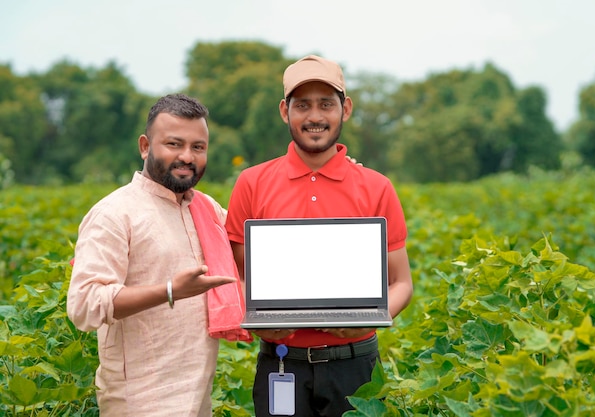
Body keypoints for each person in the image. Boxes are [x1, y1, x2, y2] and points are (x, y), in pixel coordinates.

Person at [225, 55, 414, 417]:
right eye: (303, 105)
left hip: (356, 366)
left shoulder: (376, 187)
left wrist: (364, 318)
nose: (315, 116)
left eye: (326, 104)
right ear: (285, 111)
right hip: (281, 364)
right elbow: (238, 276)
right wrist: (263, 322)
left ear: (346, 109)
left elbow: (401, 283)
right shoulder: (252, 183)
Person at [67, 93, 250, 417]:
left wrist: (338, 170)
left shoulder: (207, 210)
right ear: (145, 146)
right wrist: (170, 291)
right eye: (174, 144)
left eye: (198, 147)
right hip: (140, 403)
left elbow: (256, 247)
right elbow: (83, 304)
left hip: (199, 402)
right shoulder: (114, 213)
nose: (187, 157)